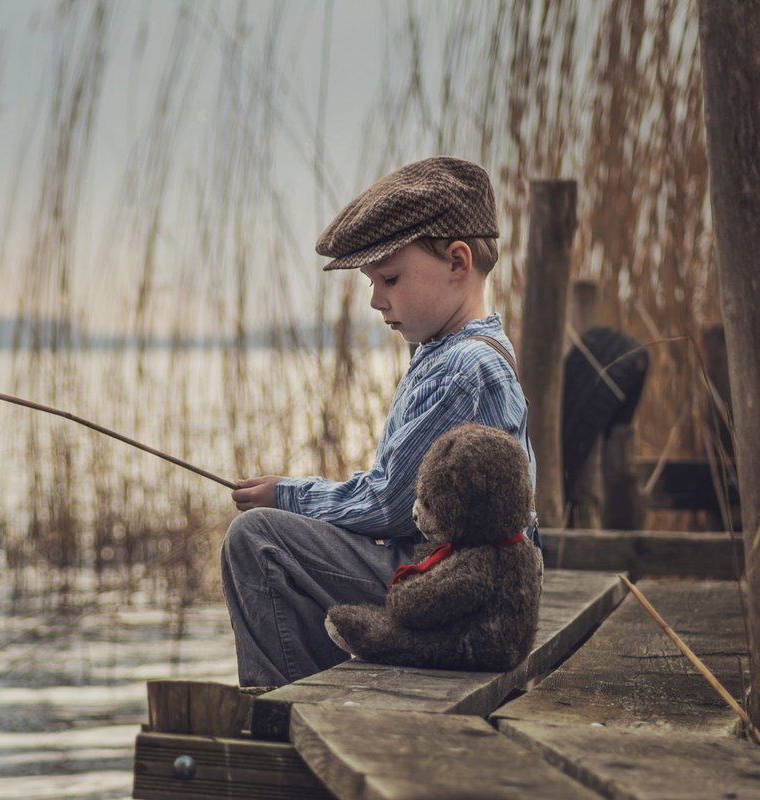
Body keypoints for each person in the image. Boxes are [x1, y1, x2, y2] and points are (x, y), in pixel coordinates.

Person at [221, 156, 539, 688]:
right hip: (470, 584)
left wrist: (288, 495)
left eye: (389, 278)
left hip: (462, 592)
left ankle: (282, 711)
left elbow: (393, 505)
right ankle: (312, 685)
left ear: (458, 262)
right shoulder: (458, 350)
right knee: (280, 540)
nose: (375, 300)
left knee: (259, 540)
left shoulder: (465, 368)